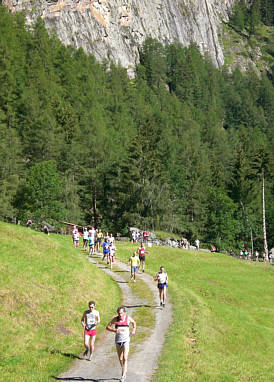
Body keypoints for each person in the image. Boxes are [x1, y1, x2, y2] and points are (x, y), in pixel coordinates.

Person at [106, 306, 136, 382]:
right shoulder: (115, 319)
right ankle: (124, 369)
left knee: (125, 358)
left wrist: (133, 330)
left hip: (126, 340)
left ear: (124, 313)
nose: (120, 315)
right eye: (119, 313)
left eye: (121, 313)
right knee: (120, 358)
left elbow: (134, 322)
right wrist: (114, 330)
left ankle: (123, 375)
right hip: (118, 341)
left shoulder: (128, 318)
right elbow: (107, 327)